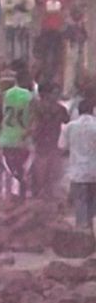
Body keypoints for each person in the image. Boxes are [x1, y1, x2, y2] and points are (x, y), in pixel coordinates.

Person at [0, 69, 35, 200]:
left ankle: (12, 195)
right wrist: (29, 131)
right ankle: (20, 194)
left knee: (10, 169)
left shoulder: (4, 95)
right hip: (24, 138)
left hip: (7, 137)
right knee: (22, 168)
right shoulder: (30, 96)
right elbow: (36, 118)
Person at [65, 96, 96, 231]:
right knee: (93, 202)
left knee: (80, 202)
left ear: (78, 110)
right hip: (94, 171)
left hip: (77, 172)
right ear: (93, 110)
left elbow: (62, 146)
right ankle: (91, 227)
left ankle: (81, 230)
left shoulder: (70, 127)